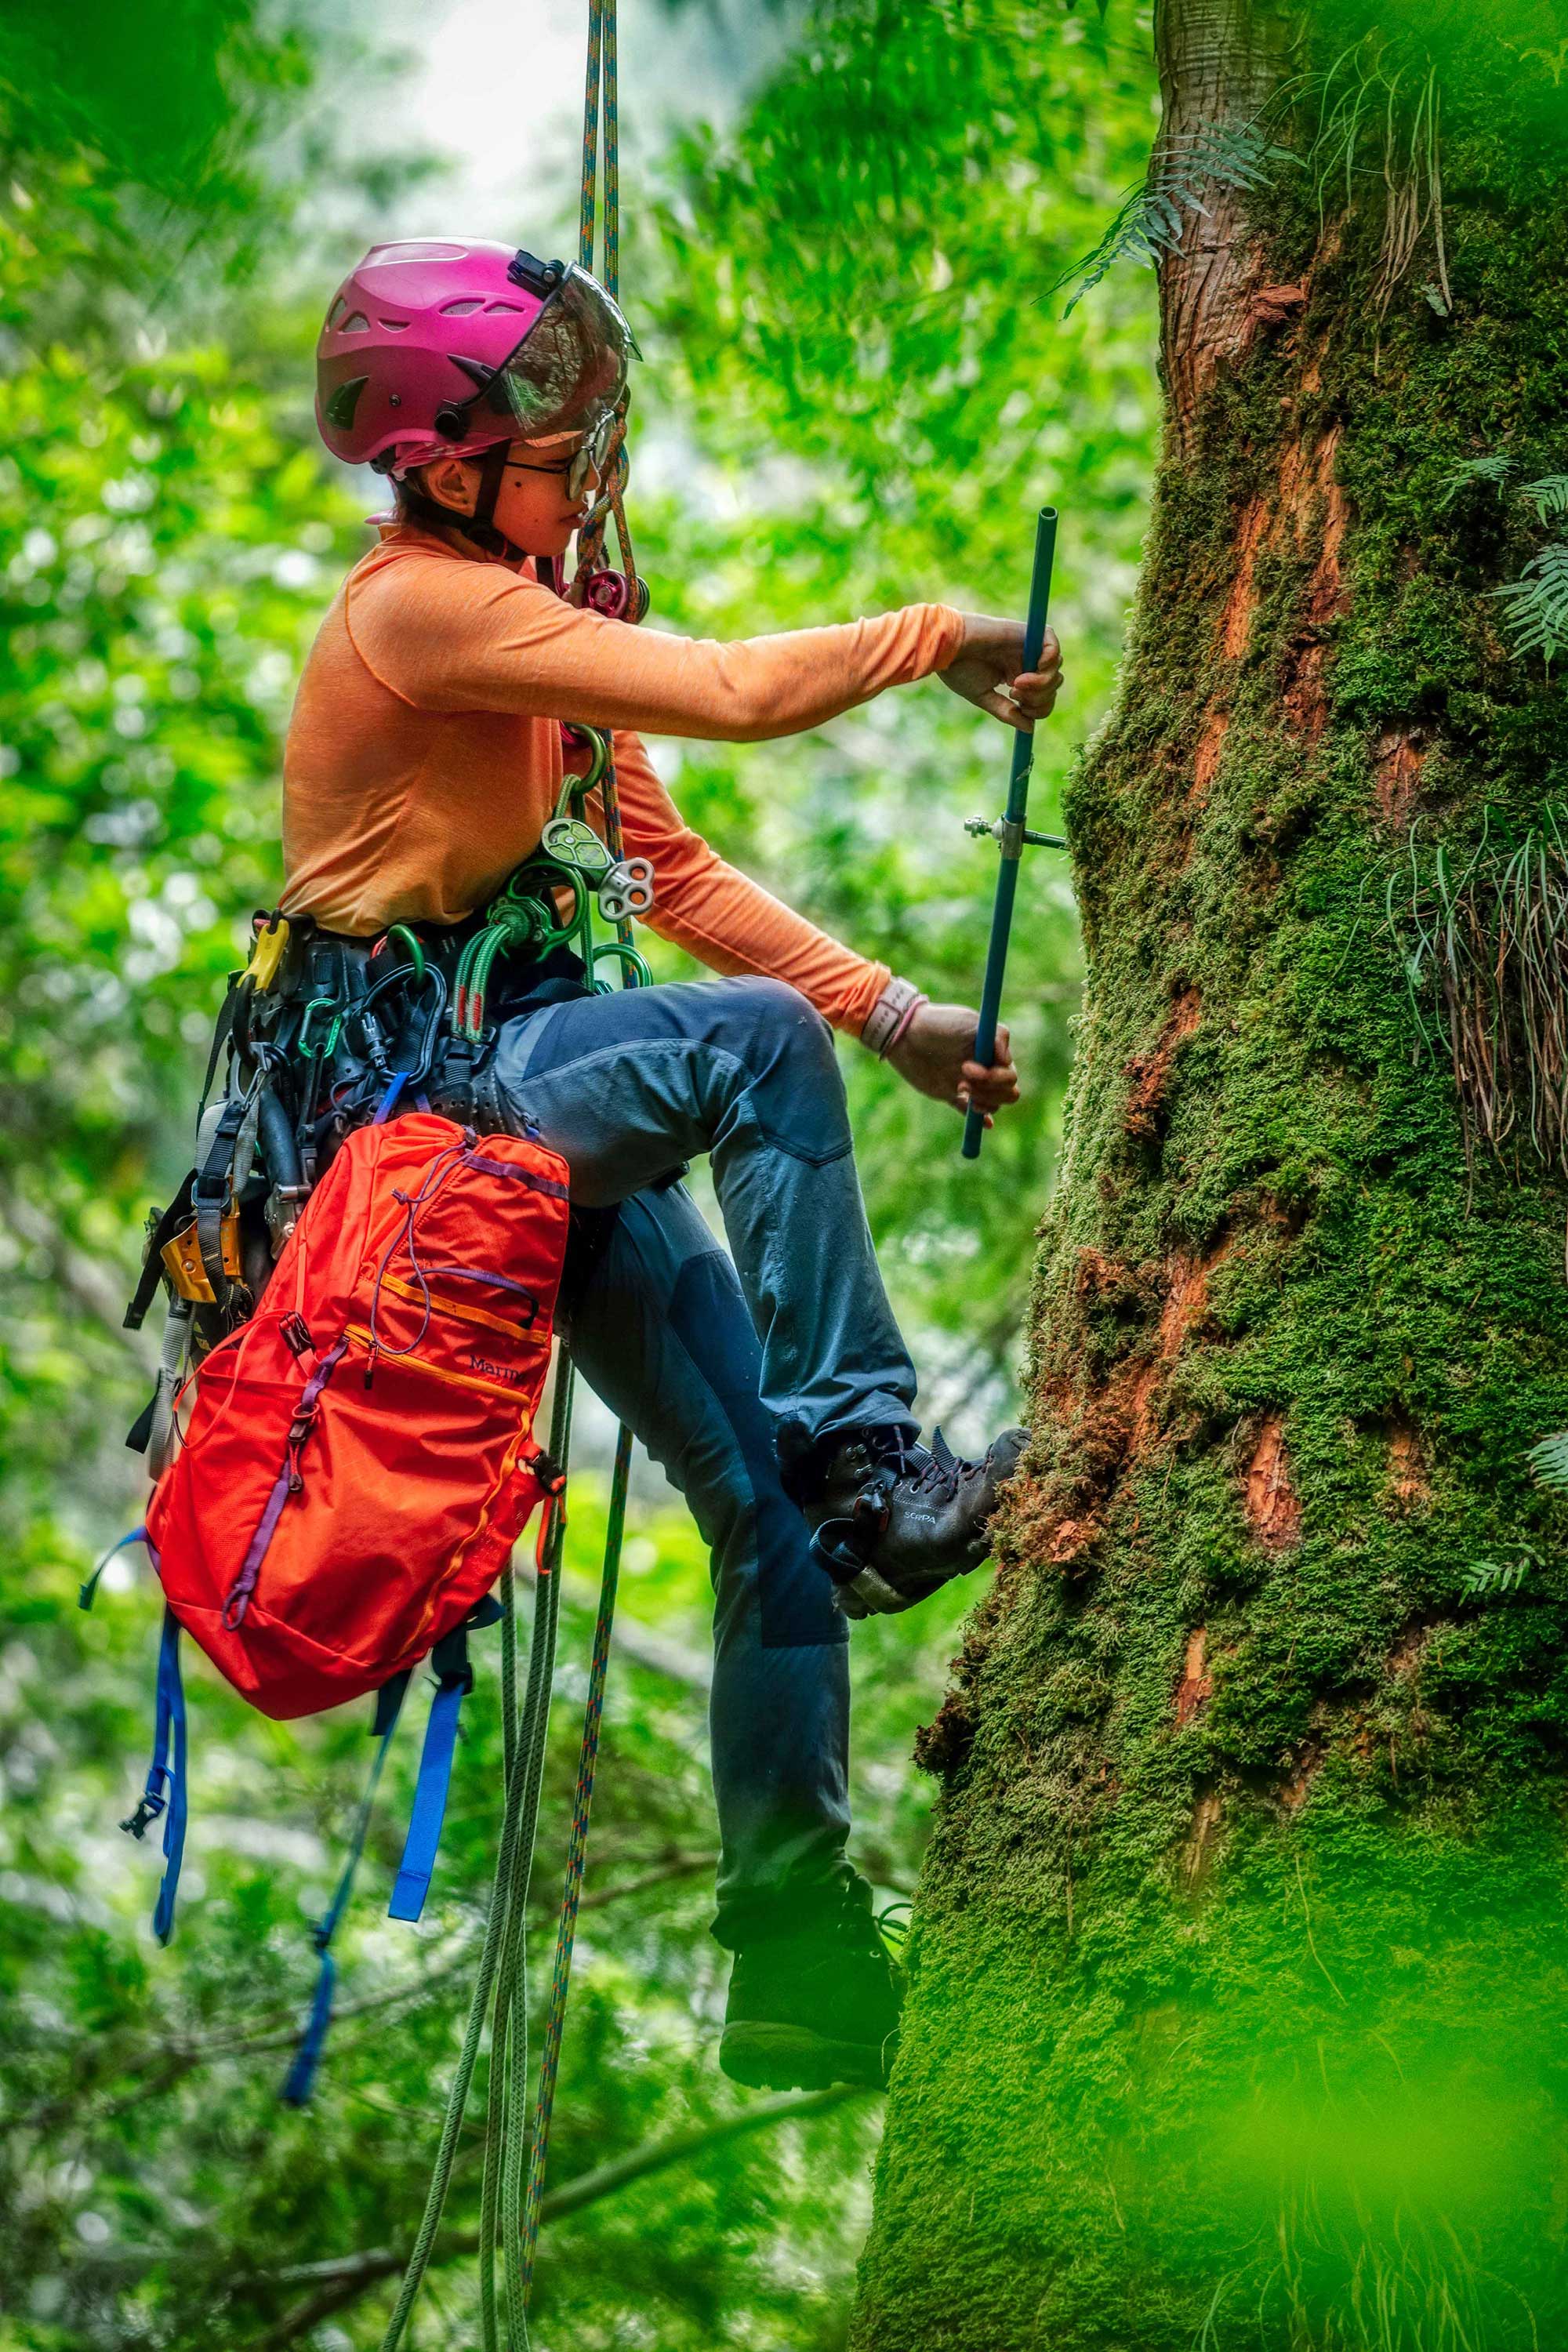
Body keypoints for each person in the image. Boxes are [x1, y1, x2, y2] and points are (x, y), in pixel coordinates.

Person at [290, 238, 1063, 2091]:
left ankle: (794, 1961)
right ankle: (872, 1455)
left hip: (519, 1117)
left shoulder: (528, 635)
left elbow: (663, 866)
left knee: (773, 1531)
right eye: (562, 450)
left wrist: (892, 1013)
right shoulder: (423, 610)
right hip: (434, 1113)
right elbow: (724, 687)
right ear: (447, 466)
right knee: (749, 1049)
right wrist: (931, 636)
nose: (594, 477)